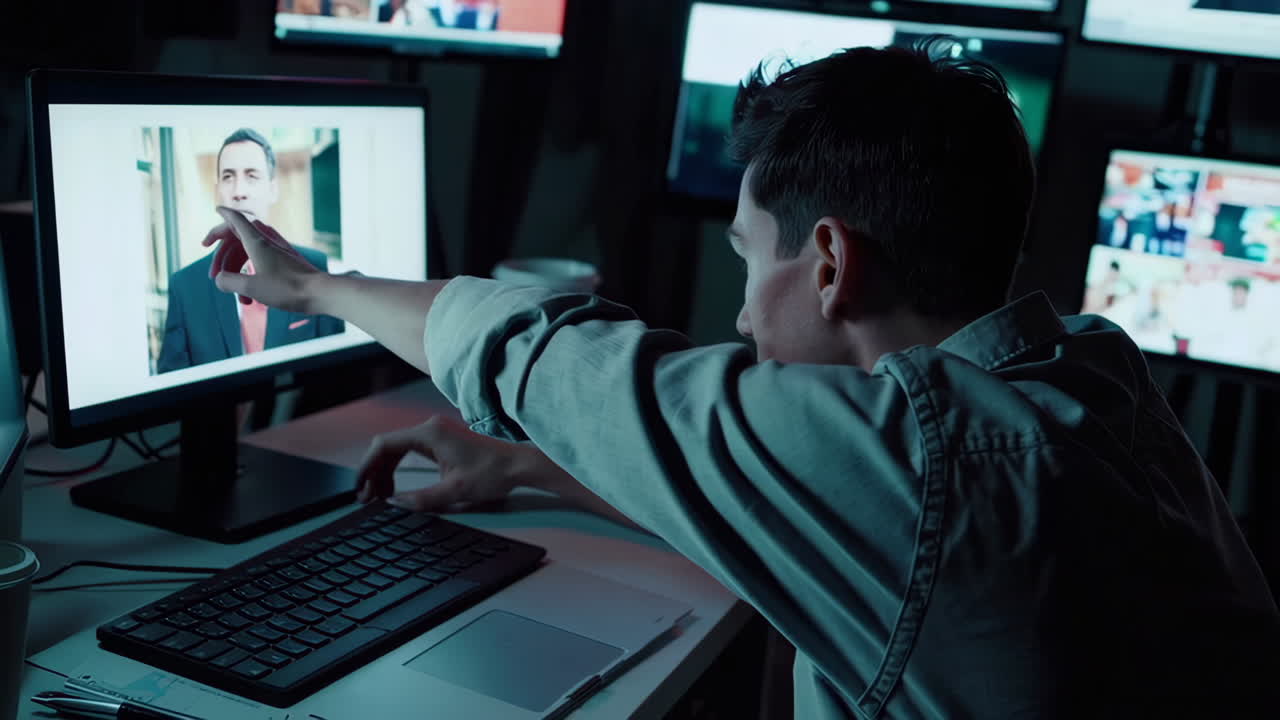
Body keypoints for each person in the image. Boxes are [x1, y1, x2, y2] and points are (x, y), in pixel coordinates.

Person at [203, 42, 1280, 718]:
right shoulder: (1086, 378)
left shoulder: (939, 462)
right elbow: (828, 512)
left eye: (747, 258)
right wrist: (527, 469)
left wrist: (318, 285)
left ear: (829, 263)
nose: (738, 311)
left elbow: (545, 353)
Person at [156, 128, 343, 374]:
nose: (239, 192)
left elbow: (335, 374)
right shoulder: (186, 287)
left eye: (252, 176)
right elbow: (172, 385)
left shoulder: (313, 267)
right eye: (228, 177)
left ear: (273, 189)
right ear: (218, 192)